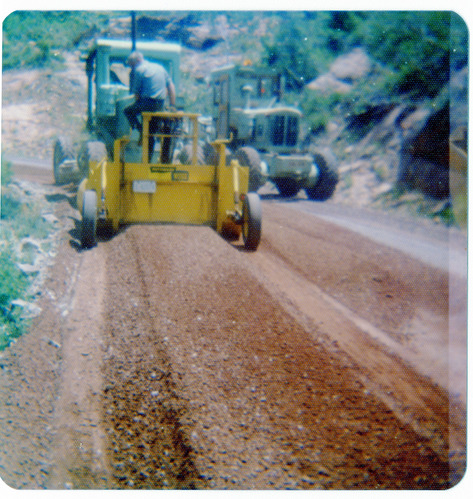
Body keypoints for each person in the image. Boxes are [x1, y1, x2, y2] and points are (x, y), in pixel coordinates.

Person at [124, 51, 176, 161]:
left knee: (127, 111)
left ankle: (140, 129)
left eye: (131, 65)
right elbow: (171, 86)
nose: (132, 68)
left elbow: (136, 94)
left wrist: (140, 109)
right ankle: (157, 159)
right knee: (151, 131)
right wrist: (172, 105)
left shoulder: (138, 70)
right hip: (160, 105)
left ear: (137, 61)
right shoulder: (160, 68)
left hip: (147, 103)